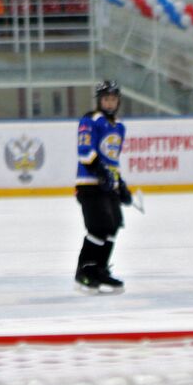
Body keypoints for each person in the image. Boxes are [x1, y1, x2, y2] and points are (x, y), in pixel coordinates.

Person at [74, 80, 133, 294]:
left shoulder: (119, 126)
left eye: (113, 99)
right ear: (100, 100)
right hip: (89, 184)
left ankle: (100, 269)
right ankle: (85, 272)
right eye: (106, 99)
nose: (110, 103)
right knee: (98, 227)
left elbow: (112, 160)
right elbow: (85, 151)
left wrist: (120, 185)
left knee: (113, 225)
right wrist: (100, 171)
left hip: (108, 186)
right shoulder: (90, 120)